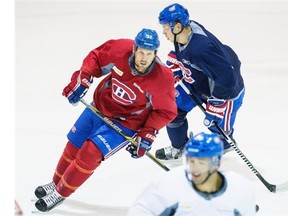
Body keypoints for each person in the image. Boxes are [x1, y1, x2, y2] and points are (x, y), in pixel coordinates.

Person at [33, 28, 178, 212]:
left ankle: (60, 193)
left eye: (149, 54)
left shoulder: (162, 78)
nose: (143, 58)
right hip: (100, 106)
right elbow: (96, 58)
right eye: (141, 51)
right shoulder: (120, 50)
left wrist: (148, 132)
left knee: (89, 153)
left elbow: (165, 111)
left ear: (155, 54)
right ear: (134, 49)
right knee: (73, 145)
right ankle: (54, 184)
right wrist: (83, 78)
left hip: (126, 123)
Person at [155, 3, 245, 160]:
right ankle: (180, 147)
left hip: (227, 93)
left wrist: (217, 104)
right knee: (173, 111)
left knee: (218, 129)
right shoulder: (186, 29)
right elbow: (191, 55)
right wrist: (179, 61)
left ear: (176, 27)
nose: (163, 32)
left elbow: (228, 75)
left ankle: (223, 145)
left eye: (165, 28)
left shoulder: (201, 48)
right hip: (198, 83)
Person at [128, 132, 257, 215]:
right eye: (191, 161)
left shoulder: (240, 189)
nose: (194, 167)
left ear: (217, 162)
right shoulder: (169, 185)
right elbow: (140, 211)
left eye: (201, 162)